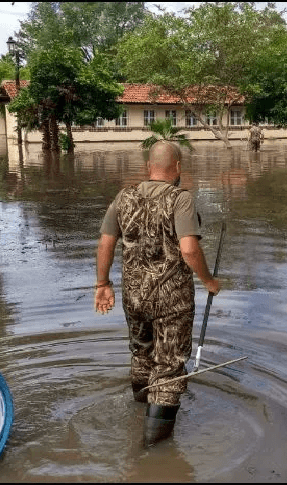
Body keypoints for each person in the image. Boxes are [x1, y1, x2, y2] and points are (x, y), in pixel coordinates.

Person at [94, 140, 221, 447]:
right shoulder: (181, 199)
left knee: (141, 355)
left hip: (133, 297)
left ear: (147, 167)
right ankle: (155, 450)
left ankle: (139, 416)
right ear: (177, 168)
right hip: (171, 300)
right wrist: (209, 281)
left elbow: (105, 243)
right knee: (169, 368)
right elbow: (189, 250)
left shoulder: (124, 197)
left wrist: (102, 285)